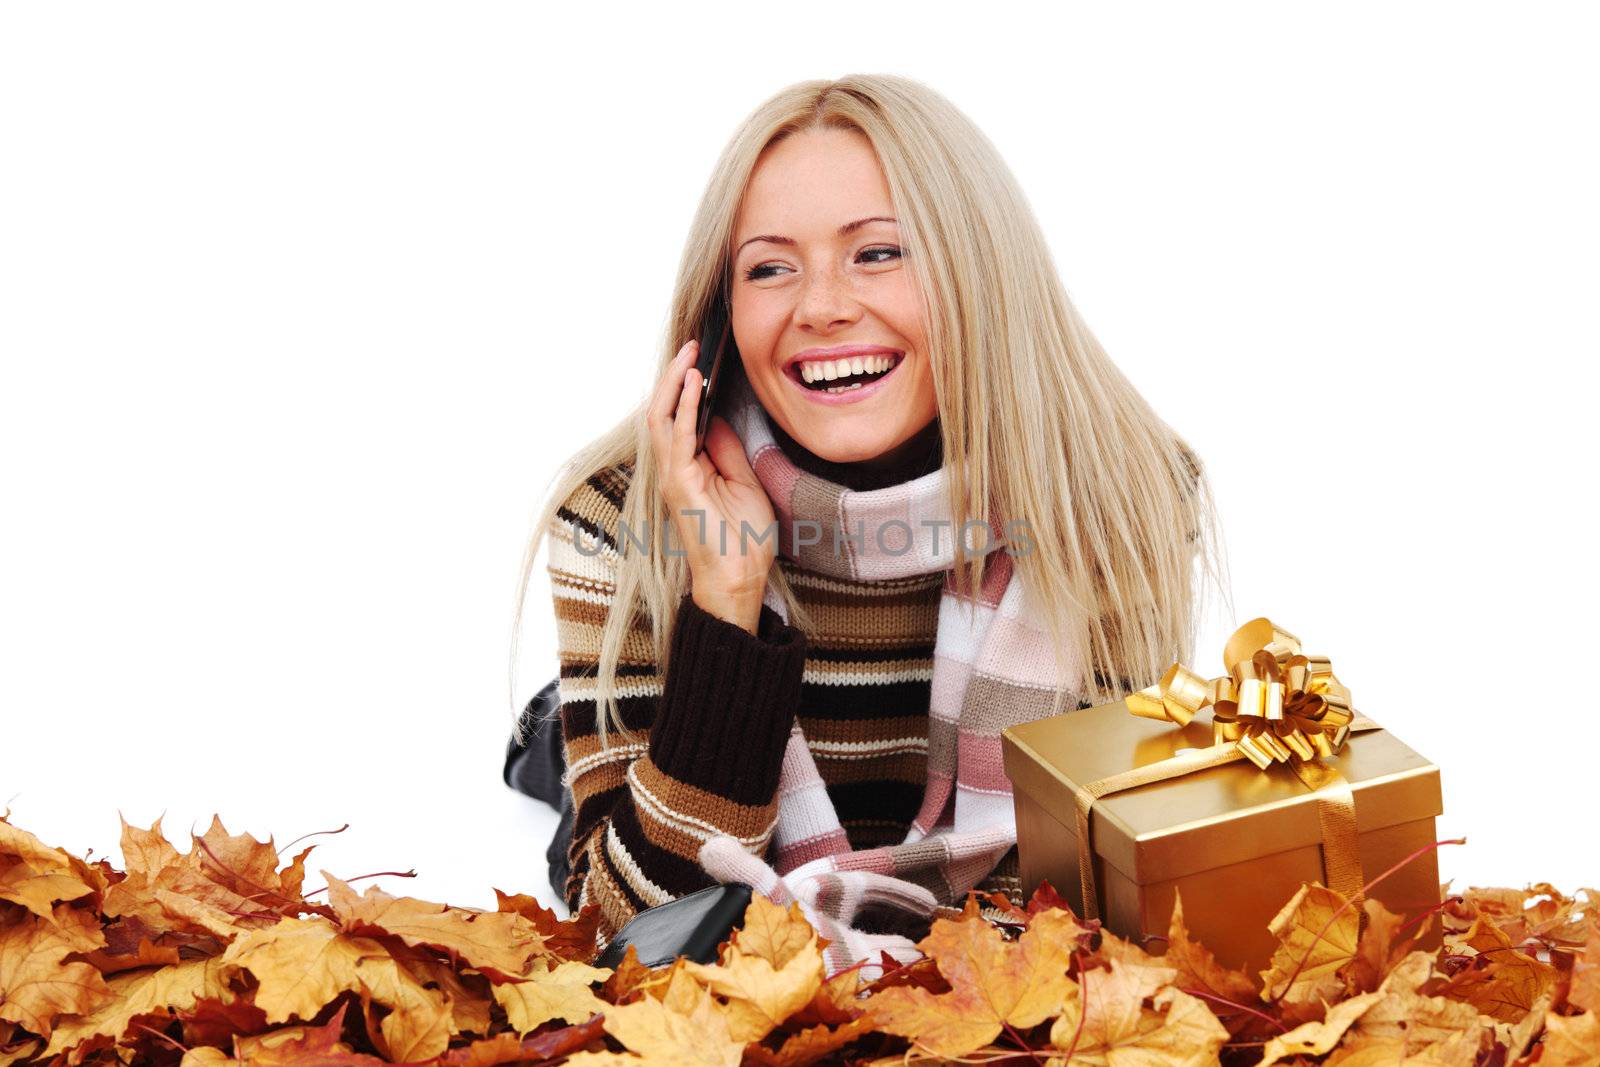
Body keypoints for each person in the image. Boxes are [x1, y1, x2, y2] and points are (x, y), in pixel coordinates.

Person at [510, 73, 1222, 977]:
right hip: (689, 743)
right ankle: (558, 739)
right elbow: (627, 930)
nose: (821, 307)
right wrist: (725, 604)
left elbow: (1098, 875)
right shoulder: (620, 516)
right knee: (582, 794)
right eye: (769, 267)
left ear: (980, 275)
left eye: (879, 252)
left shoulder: (1118, 498)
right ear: (722, 314)